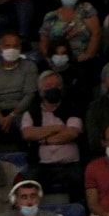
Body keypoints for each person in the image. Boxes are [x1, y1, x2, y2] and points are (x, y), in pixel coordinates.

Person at [20, 70, 85, 203]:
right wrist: (56, 128)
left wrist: (43, 139)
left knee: (80, 181)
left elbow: (71, 133)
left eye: (57, 86)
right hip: (41, 165)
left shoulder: (73, 108)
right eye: (48, 86)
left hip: (70, 164)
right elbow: (27, 134)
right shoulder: (31, 112)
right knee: (29, 184)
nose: (53, 89)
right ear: (40, 91)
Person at [0, 30, 38, 148]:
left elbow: (29, 94)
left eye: (15, 46)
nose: (11, 49)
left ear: (20, 48)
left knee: (24, 126)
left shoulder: (29, 67)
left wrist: (12, 115)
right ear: (0, 48)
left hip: (22, 110)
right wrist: (1, 118)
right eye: (7, 46)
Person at [38, 0, 101, 84]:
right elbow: (44, 40)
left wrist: (88, 54)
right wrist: (48, 58)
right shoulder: (51, 16)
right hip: (58, 59)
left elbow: (96, 33)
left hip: (82, 60)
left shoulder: (85, 8)